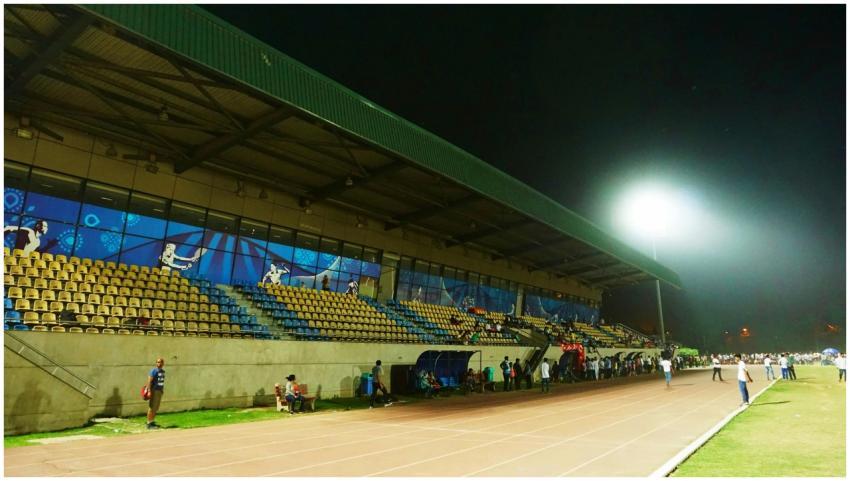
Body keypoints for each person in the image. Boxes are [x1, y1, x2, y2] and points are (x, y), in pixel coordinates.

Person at [146, 357, 165, 429]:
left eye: (160, 362)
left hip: (159, 391)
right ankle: (148, 423)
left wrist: (162, 390)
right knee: (151, 407)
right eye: (157, 362)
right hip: (154, 391)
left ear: (163, 363)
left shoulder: (163, 372)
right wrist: (149, 391)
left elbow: (161, 382)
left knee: (156, 408)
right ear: (156, 363)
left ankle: (152, 421)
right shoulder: (153, 371)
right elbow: (149, 382)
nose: (159, 363)